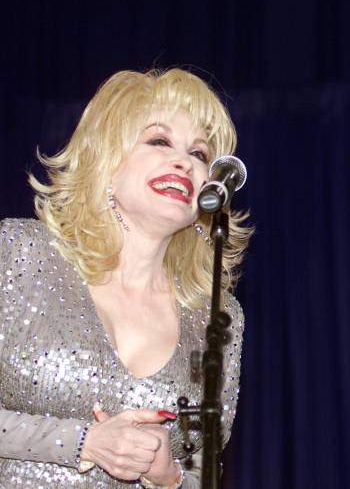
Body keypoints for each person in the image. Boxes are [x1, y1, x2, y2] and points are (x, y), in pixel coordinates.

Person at [0, 68, 252, 487]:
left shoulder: (217, 316)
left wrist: (169, 475)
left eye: (199, 153)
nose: (184, 162)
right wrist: (83, 441)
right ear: (107, 158)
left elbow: (202, 470)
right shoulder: (19, 254)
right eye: (159, 141)